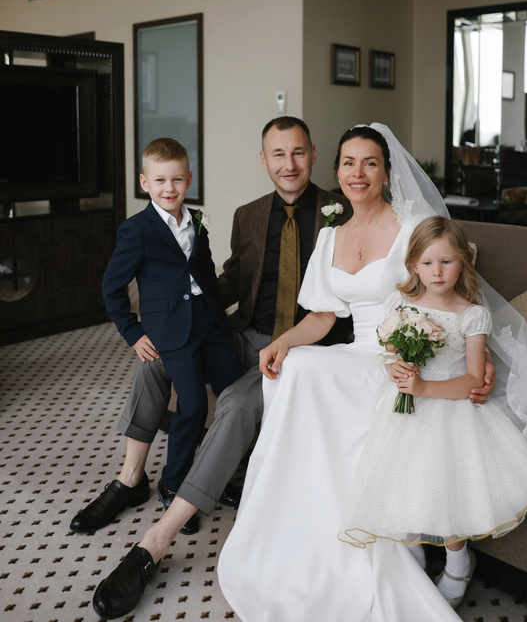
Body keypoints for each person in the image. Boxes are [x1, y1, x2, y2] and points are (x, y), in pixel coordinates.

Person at [217, 124, 499, 622]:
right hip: (360, 349)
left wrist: (482, 356)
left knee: (315, 373)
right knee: (298, 366)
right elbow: (324, 317)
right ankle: (306, 522)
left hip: (410, 356)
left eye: (370, 163)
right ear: (337, 171)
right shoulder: (331, 235)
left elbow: (453, 293)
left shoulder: (414, 226)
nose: (359, 173)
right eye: (349, 162)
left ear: (387, 172)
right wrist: (282, 343)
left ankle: (400, 545)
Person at [90, 116, 361, 619]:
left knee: (234, 401)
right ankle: (131, 477)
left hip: (304, 346)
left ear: (312, 154)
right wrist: (182, 319)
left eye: (297, 152)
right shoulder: (248, 214)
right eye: (277, 154)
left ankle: (159, 537)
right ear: (264, 160)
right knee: (158, 360)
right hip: (244, 333)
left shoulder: (343, 209)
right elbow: (230, 279)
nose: (288, 164)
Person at [339, 216, 527, 610]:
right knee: (403, 480)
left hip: (450, 409)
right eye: (428, 262)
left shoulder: (472, 314)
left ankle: (459, 562)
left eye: (447, 262)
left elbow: (472, 379)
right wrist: (395, 368)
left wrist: (425, 388)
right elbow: (391, 353)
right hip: (402, 411)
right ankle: (410, 554)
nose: (437, 272)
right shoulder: (399, 304)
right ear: (413, 265)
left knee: (445, 487)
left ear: (463, 262)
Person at [71, 137, 242, 542]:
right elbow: (112, 286)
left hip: (210, 323)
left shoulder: (197, 219)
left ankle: (222, 475)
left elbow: (203, 269)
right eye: (161, 180)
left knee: (234, 395)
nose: (170, 188)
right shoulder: (137, 229)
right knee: (193, 405)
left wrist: (218, 312)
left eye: (177, 180)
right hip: (171, 331)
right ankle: (174, 483)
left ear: (189, 180)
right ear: (145, 182)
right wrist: (132, 332)